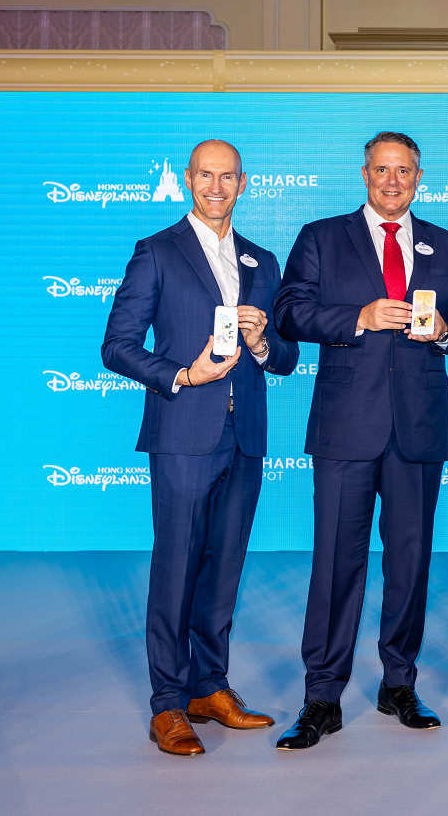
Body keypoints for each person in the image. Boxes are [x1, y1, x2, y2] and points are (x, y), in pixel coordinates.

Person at [272, 131, 448, 750]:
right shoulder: (321, 237)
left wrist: (444, 332)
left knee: (410, 563)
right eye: (381, 170)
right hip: (345, 427)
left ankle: (399, 683)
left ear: (419, 178)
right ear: (364, 174)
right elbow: (289, 312)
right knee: (336, 562)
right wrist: (356, 318)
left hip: (417, 429)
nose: (392, 180)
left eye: (403, 171)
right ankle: (322, 694)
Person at [101, 139, 299, 756]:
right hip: (183, 433)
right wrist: (184, 375)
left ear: (244, 183)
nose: (217, 186)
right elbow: (117, 346)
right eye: (206, 175)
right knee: (177, 566)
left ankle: (209, 687)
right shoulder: (157, 251)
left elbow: (286, 358)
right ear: (188, 180)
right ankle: (167, 702)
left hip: (245, 436)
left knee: (224, 566)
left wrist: (263, 343)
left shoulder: (263, 261)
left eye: (228, 176)